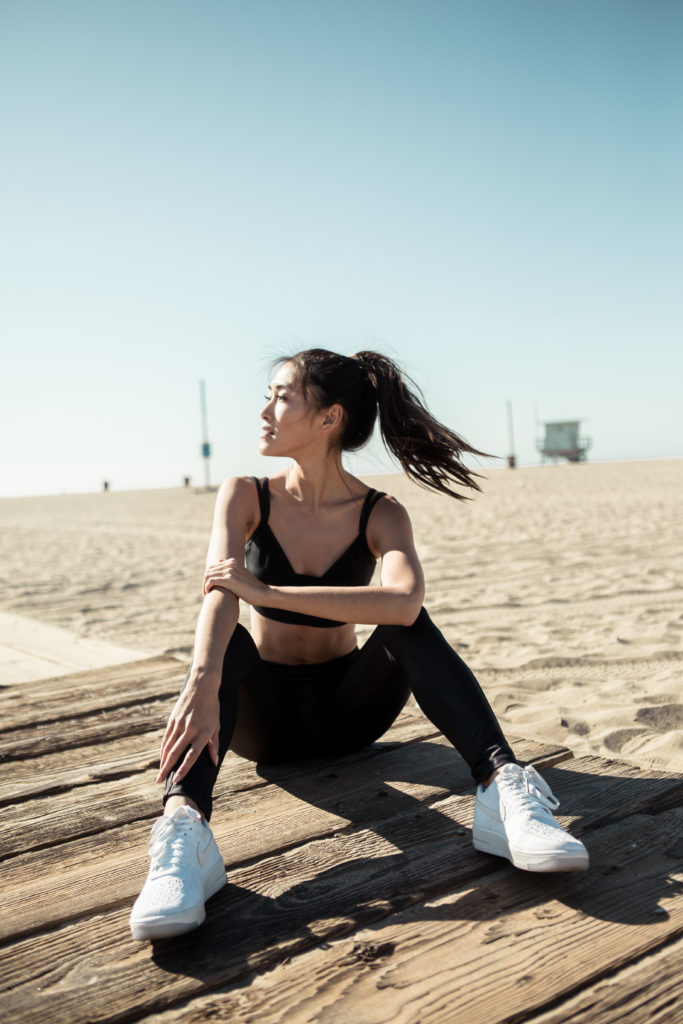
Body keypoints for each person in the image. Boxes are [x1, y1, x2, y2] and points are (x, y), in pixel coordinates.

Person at [129, 349, 588, 942]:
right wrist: (201, 680)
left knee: (405, 627)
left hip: (349, 712)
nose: (264, 410)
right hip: (265, 727)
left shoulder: (382, 512)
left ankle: (503, 791)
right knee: (228, 644)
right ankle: (185, 831)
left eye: (281, 396)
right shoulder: (245, 494)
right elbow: (220, 591)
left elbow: (403, 604)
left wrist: (269, 589)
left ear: (329, 418)